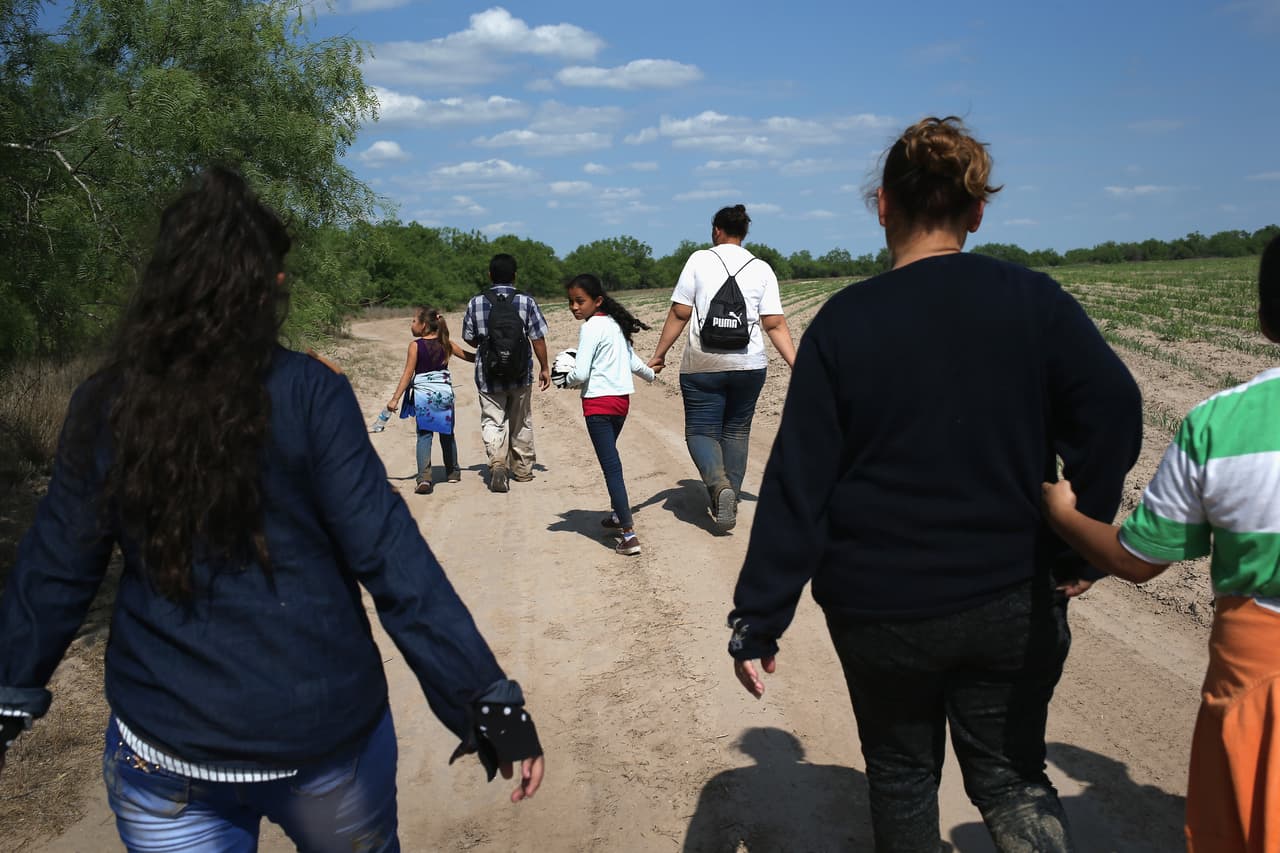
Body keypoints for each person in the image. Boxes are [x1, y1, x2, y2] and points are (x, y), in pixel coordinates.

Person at [0, 167, 545, 851]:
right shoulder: (311, 394)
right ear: (267, 289)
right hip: (323, 746)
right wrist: (486, 697)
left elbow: (57, 564)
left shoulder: (104, 402)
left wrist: (8, 688)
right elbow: (390, 555)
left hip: (165, 749)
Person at [725, 117, 1142, 852]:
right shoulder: (1032, 300)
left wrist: (760, 614)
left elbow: (799, 480)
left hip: (879, 609)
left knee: (900, 776)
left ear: (883, 205)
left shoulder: (844, 323)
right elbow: (1114, 409)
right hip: (1013, 595)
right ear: (977, 211)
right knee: (1013, 778)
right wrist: (1080, 538)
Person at [1043, 234, 1280, 853]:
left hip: (1260, 681)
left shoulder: (1222, 423)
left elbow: (1137, 560)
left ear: (1264, 318)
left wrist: (1064, 514)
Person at [647, 204, 796, 531]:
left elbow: (680, 313)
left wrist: (659, 354)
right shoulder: (761, 268)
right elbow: (774, 323)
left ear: (717, 230)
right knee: (737, 430)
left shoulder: (700, 260)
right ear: (744, 232)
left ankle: (718, 486)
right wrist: (796, 365)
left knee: (701, 430)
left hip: (703, 362)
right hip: (749, 364)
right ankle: (732, 493)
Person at [559, 273, 655, 557]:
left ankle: (628, 535)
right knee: (611, 459)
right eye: (571, 302)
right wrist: (651, 375)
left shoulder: (590, 328)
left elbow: (582, 372)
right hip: (620, 404)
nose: (575, 307)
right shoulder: (614, 324)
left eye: (580, 301)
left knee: (611, 467)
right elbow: (632, 361)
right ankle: (617, 515)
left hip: (598, 405)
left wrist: (564, 379)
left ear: (597, 300)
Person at [462, 254, 551, 493]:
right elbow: (537, 338)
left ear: (490, 275)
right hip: (520, 374)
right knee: (521, 421)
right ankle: (522, 470)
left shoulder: (475, 302)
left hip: (488, 375)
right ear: (514, 276)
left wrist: (489, 346)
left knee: (493, 419)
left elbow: (469, 338)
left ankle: (497, 462)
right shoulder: (526, 301)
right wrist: (544, 367)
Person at [385, 306, 475, 494]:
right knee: (447, 433)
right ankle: (453, 472)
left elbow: (408, 374)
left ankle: (424, 479)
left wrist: (395, 399)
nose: (412, 324)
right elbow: (469, 357)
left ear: (423, 325)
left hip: (424, 396)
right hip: (444, 394)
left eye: (413, 321)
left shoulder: (415, 346)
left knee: (424, 435)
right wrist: (486, 355)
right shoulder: (445, 343)